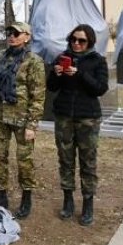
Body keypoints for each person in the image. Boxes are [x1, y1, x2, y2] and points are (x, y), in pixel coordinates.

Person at [47, 24, 109, 226]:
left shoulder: (98, 61)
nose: (76, 43)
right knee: (65, 160)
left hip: (87, 118)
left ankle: (88, 204)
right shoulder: (62, 57)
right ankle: (68, 200)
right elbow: (51, 87)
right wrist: (56, 73)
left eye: (81, 40)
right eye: (73, 39)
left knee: (88, 162)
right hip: (64, 116)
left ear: (89, 41)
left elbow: (100, 88)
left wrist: (80, 74)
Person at [0, 22, 45, 219]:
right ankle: (1, 194)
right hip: (1, 116)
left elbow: (38, 95)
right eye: (9, 33)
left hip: (22, 119)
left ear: (26, 36)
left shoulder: (33, 61)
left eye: (16, 33)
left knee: (24, 161)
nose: (11, 36)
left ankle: (26, 196)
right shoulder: (1, 58)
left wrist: (32, 124)